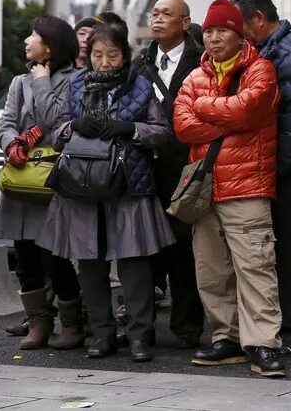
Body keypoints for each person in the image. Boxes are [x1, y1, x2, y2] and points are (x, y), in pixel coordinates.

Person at [38, 24, 175, 363]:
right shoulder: (74, 84)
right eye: (97, 55)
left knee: (134, 263)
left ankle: (140, 335)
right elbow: (54, 131)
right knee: (89, 263)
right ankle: (101, 334)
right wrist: (73, 127)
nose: (104, 62)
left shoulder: (141, 86)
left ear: (124, 55)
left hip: (129, 184)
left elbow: (162, 133)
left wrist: (130, 129)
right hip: (81, 186)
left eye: (112, 55)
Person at [174, 0, 286, 377]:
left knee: (256, 268)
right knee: (211, 270)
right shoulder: (193, 76)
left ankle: (264, 344)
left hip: (248, 188)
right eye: (208, 31)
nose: (214, 37)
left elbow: (251, 109)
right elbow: (182, 126)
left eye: (223, 30)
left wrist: (206, 106)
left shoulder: (262, 69)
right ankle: (228, 338)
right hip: (205, 189)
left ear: (239, 35)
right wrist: (230, 115)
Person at [230, 0, 291, 357]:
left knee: (290, 250)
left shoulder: (290, 52)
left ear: (257, 19)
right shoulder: (263, 49)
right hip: (262, 165)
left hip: (285, 169)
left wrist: (275, 169)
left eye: (238, 23)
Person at [0, 16, 84, 351]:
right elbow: (6, 122)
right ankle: (39, 324)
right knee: (25, 255)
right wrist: (11, 144)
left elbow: (58, 123)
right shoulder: (19, 82)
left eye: (34, 35)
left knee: (56, 256)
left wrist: (43, 82)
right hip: (21, 179)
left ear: (51, 45)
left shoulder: (77, 81)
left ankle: (72, 324)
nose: (26, 40)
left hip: (54, 180)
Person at [130, 0, 205, 349]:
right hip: (145, 167)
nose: (157, 19)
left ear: (185, 23)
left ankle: (187, 326)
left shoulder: (201, 60)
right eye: (154, 13)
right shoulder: (141, 62)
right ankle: (141, 327)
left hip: (185, 167)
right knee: (145, 248)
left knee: (184, 249)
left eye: (166, 14)